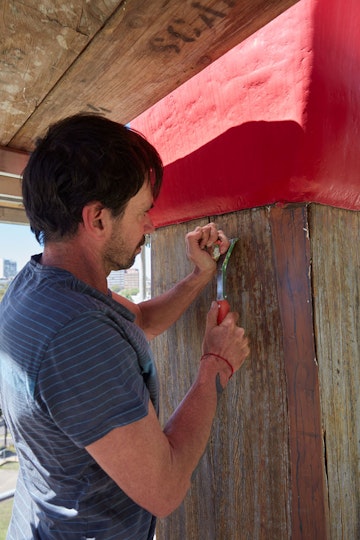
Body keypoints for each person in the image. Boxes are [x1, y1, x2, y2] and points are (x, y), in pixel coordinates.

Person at [0, 113, 249, 539]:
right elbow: (165, 488)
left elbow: (143, 320)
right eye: (143, 212)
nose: (150, 225)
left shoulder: (42, 284)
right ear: (97, 219)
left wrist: (198, 277)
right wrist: (215, 366)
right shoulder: (76, 337)